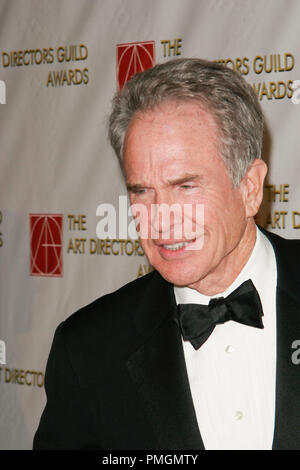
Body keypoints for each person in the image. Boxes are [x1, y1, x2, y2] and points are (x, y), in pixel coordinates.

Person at [33, 58, 300, 450]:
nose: (161, 220)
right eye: (142, 191)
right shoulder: (88, 351)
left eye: (186, 186)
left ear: (250, 188)